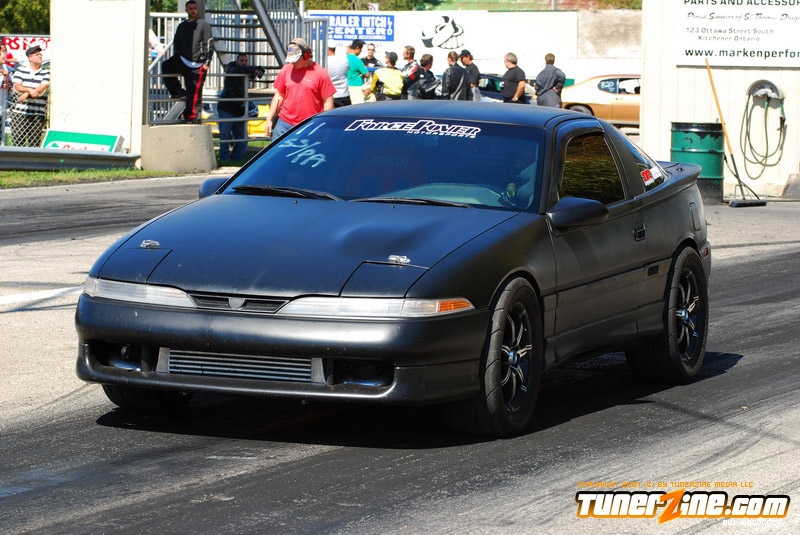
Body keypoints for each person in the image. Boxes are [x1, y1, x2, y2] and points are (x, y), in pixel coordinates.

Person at [266, 38, 335, 139]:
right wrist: (269, 118)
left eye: (296, 59)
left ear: (306, 55)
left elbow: (328, 101)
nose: (293, 62)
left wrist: (325, 124)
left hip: (310, 124)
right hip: (285, 123)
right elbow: (279, 96)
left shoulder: (321, 73)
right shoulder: (286, 69)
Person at [161, 0, 214, 123]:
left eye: (195, 8)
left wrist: (207, 62)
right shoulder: (182, 26)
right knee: (166, 65)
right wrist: (178, 55)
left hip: (198, 64)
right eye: (190, 8)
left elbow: (209, 44)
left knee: (194, 94)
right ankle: (177, 92)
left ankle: (191, 118)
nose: (193, 10)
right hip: (183, 59)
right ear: (186, 10)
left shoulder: (203, 24)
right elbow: (177, 43)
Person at [217, 53, 264, 162]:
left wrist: (259, 71)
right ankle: (224, 158)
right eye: (241, 60)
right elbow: (235, 70)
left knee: (242, 136)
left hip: (239, 108)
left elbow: (260, 69)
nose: (244, 63)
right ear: (236, 61)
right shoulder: (231, 67)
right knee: (225, 133)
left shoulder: (246, 70)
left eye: (245, 61)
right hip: (226, 107)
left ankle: (237, 159)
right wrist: (255, 70)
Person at [10, 46, 49, 147]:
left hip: (38, 112)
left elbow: (43, 86)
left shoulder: (45, 72)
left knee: (34, 143)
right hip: (20, 112)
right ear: (30, 57)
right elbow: (17, 86)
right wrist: (30, 90)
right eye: (37, 55)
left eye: (40, 54)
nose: (40, 56)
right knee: (18, 142)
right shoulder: (21, 70)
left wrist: (27, 93)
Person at [326, 42, 351, 108]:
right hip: (344, 94)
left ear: (327, 49)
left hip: (330, 96)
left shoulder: (324, 62)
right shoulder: (344, 60)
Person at [345, 39, 368, 104]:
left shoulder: (345, 59)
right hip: (356, 87)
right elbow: (367, 74)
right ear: (357, 48)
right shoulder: (357, 60)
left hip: (346, 87)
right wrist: (362, 75)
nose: (361, 51)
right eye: (361, 49)